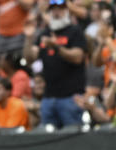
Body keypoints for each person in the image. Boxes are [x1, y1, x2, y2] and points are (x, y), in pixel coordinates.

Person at [23, 0, 87, 128]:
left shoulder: (75, 31)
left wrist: (56, 47)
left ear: (67, 11)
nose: (57, 12)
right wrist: (29, 38)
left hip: (70, 97)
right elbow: (30, 58)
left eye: (60, 8)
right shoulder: (44, 34)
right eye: (54, 9)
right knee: (47, 141)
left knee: (72, 138)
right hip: (48, 97)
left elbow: (77, 57)